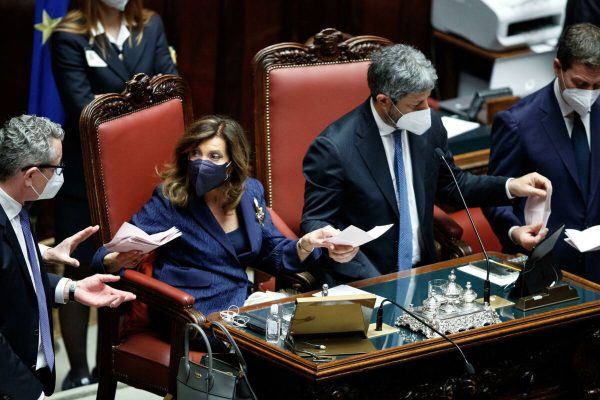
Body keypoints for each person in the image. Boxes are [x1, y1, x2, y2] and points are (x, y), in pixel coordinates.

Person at [301, 44, 552, 285]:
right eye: (415, 104)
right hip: (365, 277)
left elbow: (454, 186)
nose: (426, 110)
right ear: (384, 101)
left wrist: (511, 186)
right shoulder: (334, 147)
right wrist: (334, 243)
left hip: (425, 271)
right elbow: (315, 220)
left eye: (427, 100)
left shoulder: (429, 127)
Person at [92, 115, 345, 320]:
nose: (201, 163)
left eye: (214, 156)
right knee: (279, 347)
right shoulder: (171, 198)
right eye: (195, 154)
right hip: (190, 313)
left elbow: (273, 251)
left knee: (313, 328)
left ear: (231, 164)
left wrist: (306, 243)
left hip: (240, 304)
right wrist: (116, 260)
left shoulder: (250, 192)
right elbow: (102, 257)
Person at [50, 0, 177, 388]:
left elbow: (169, 89)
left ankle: (120, 355)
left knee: (134, 260)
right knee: (80, 264)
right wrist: (140, 112)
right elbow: (83, 109)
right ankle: (77, 370)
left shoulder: (150, 26)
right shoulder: (69, 36)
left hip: (142, 170)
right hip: (87, 175)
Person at [0, 115, 136, 399]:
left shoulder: (17, 208)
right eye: (56, 168)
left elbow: (16, 283)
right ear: (30, 175)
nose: (60, 174)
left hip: (31, 370)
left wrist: (72, 289)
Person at [483, 23, 600, 282]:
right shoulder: (518, 123)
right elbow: (496, 195)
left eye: (597, 85)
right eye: (580, 83)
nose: (589, 94)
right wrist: (515, 232)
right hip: (544, 266)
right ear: (558, 68)